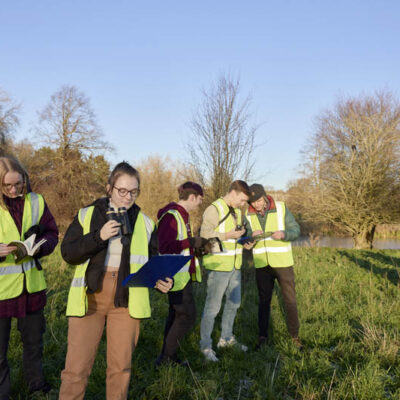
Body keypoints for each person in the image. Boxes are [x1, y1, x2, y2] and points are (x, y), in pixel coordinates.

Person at [59, 162, 172, 400]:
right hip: (89, 299)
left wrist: (161, 281)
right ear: (110, 187)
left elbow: (151, 261)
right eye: (122, 190)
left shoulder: (147, 223)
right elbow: (68, 254)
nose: (127, 197)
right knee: (76, 369)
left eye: (133, 192)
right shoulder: (87, 214)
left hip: (126, 301)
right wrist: (98, 237)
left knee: (121, 369)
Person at [0, 156, 58, 399]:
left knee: (34, 343)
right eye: (7, 186)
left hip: (32, 287)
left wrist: (40, 247)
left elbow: (52, 233)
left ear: (25, 179)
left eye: (19, 184)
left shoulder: (37, 201)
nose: (14, 190)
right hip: (2, 291)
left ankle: (36, 385)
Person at [156, 182, 208, 366]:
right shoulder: (171, 216)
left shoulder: (182, 216)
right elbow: (164, 246)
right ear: (192, 197)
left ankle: (166, 355)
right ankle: (167, 358)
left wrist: (197, 248)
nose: (200, 203)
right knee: (187, 315)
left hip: (181, 274)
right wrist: (191, 242)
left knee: (176, 315)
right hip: (174, 275)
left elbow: (181, 245)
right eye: (200, 199)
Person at [244, 184, 302, 349]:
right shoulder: (247, 214)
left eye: (258, 200)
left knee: (290, 300)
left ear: (264, 197)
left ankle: (295, 337)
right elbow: (247, 238)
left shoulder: (282, 208)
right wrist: (250, 237)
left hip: (283, 263)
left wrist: (284, 234)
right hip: (262, 265)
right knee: (263, 301)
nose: (255, 204)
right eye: (252, 202)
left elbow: (295, 230)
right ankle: (262, 337)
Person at [199, 180, 250, 362]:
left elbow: (234, 238)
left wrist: (244, 240)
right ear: (234, 192)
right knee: (212, 308)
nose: (243, 204)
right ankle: (205, 347)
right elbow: (204, 235)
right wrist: (228, 235)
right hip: (218, 266)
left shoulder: (237, 211)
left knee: (234, 303)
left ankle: (226, 339)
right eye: (242, 200)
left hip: (235, 265)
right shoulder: (214, 209)